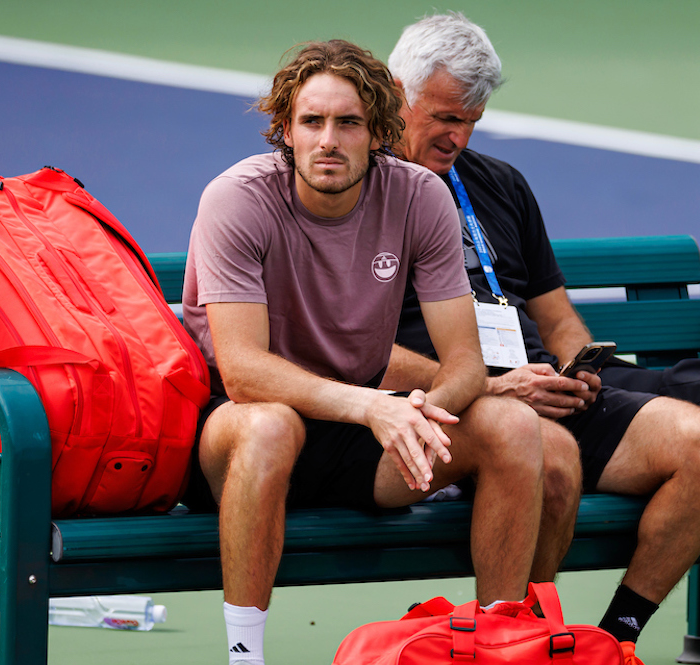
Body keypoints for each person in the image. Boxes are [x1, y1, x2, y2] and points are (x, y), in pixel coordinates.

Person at [181, 39, 576, 665]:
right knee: (270, 427)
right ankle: (244, 656)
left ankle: (500, 647)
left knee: (510, 423)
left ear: (379, 132)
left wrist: (422, 413)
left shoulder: (419, 196)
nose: (328, 140)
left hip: (362, 439)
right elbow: (244, 372)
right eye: (311, 121)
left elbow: (465, 365)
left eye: (349, 123)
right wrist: (374, 407)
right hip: (235, 433)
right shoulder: (237, 200)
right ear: (285, 129)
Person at [387, 12, 700, 660]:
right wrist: (498, 387)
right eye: (443, 116)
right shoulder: (362, 194)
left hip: (539, 389)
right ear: (396, 92)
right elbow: (353, 349)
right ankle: (526, 645)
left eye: (471, 119)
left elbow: (555, 315)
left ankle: (613, 641)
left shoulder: (500, 183)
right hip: (452, 410)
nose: (457, 136)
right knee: (547, 454)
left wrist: (576, 365)